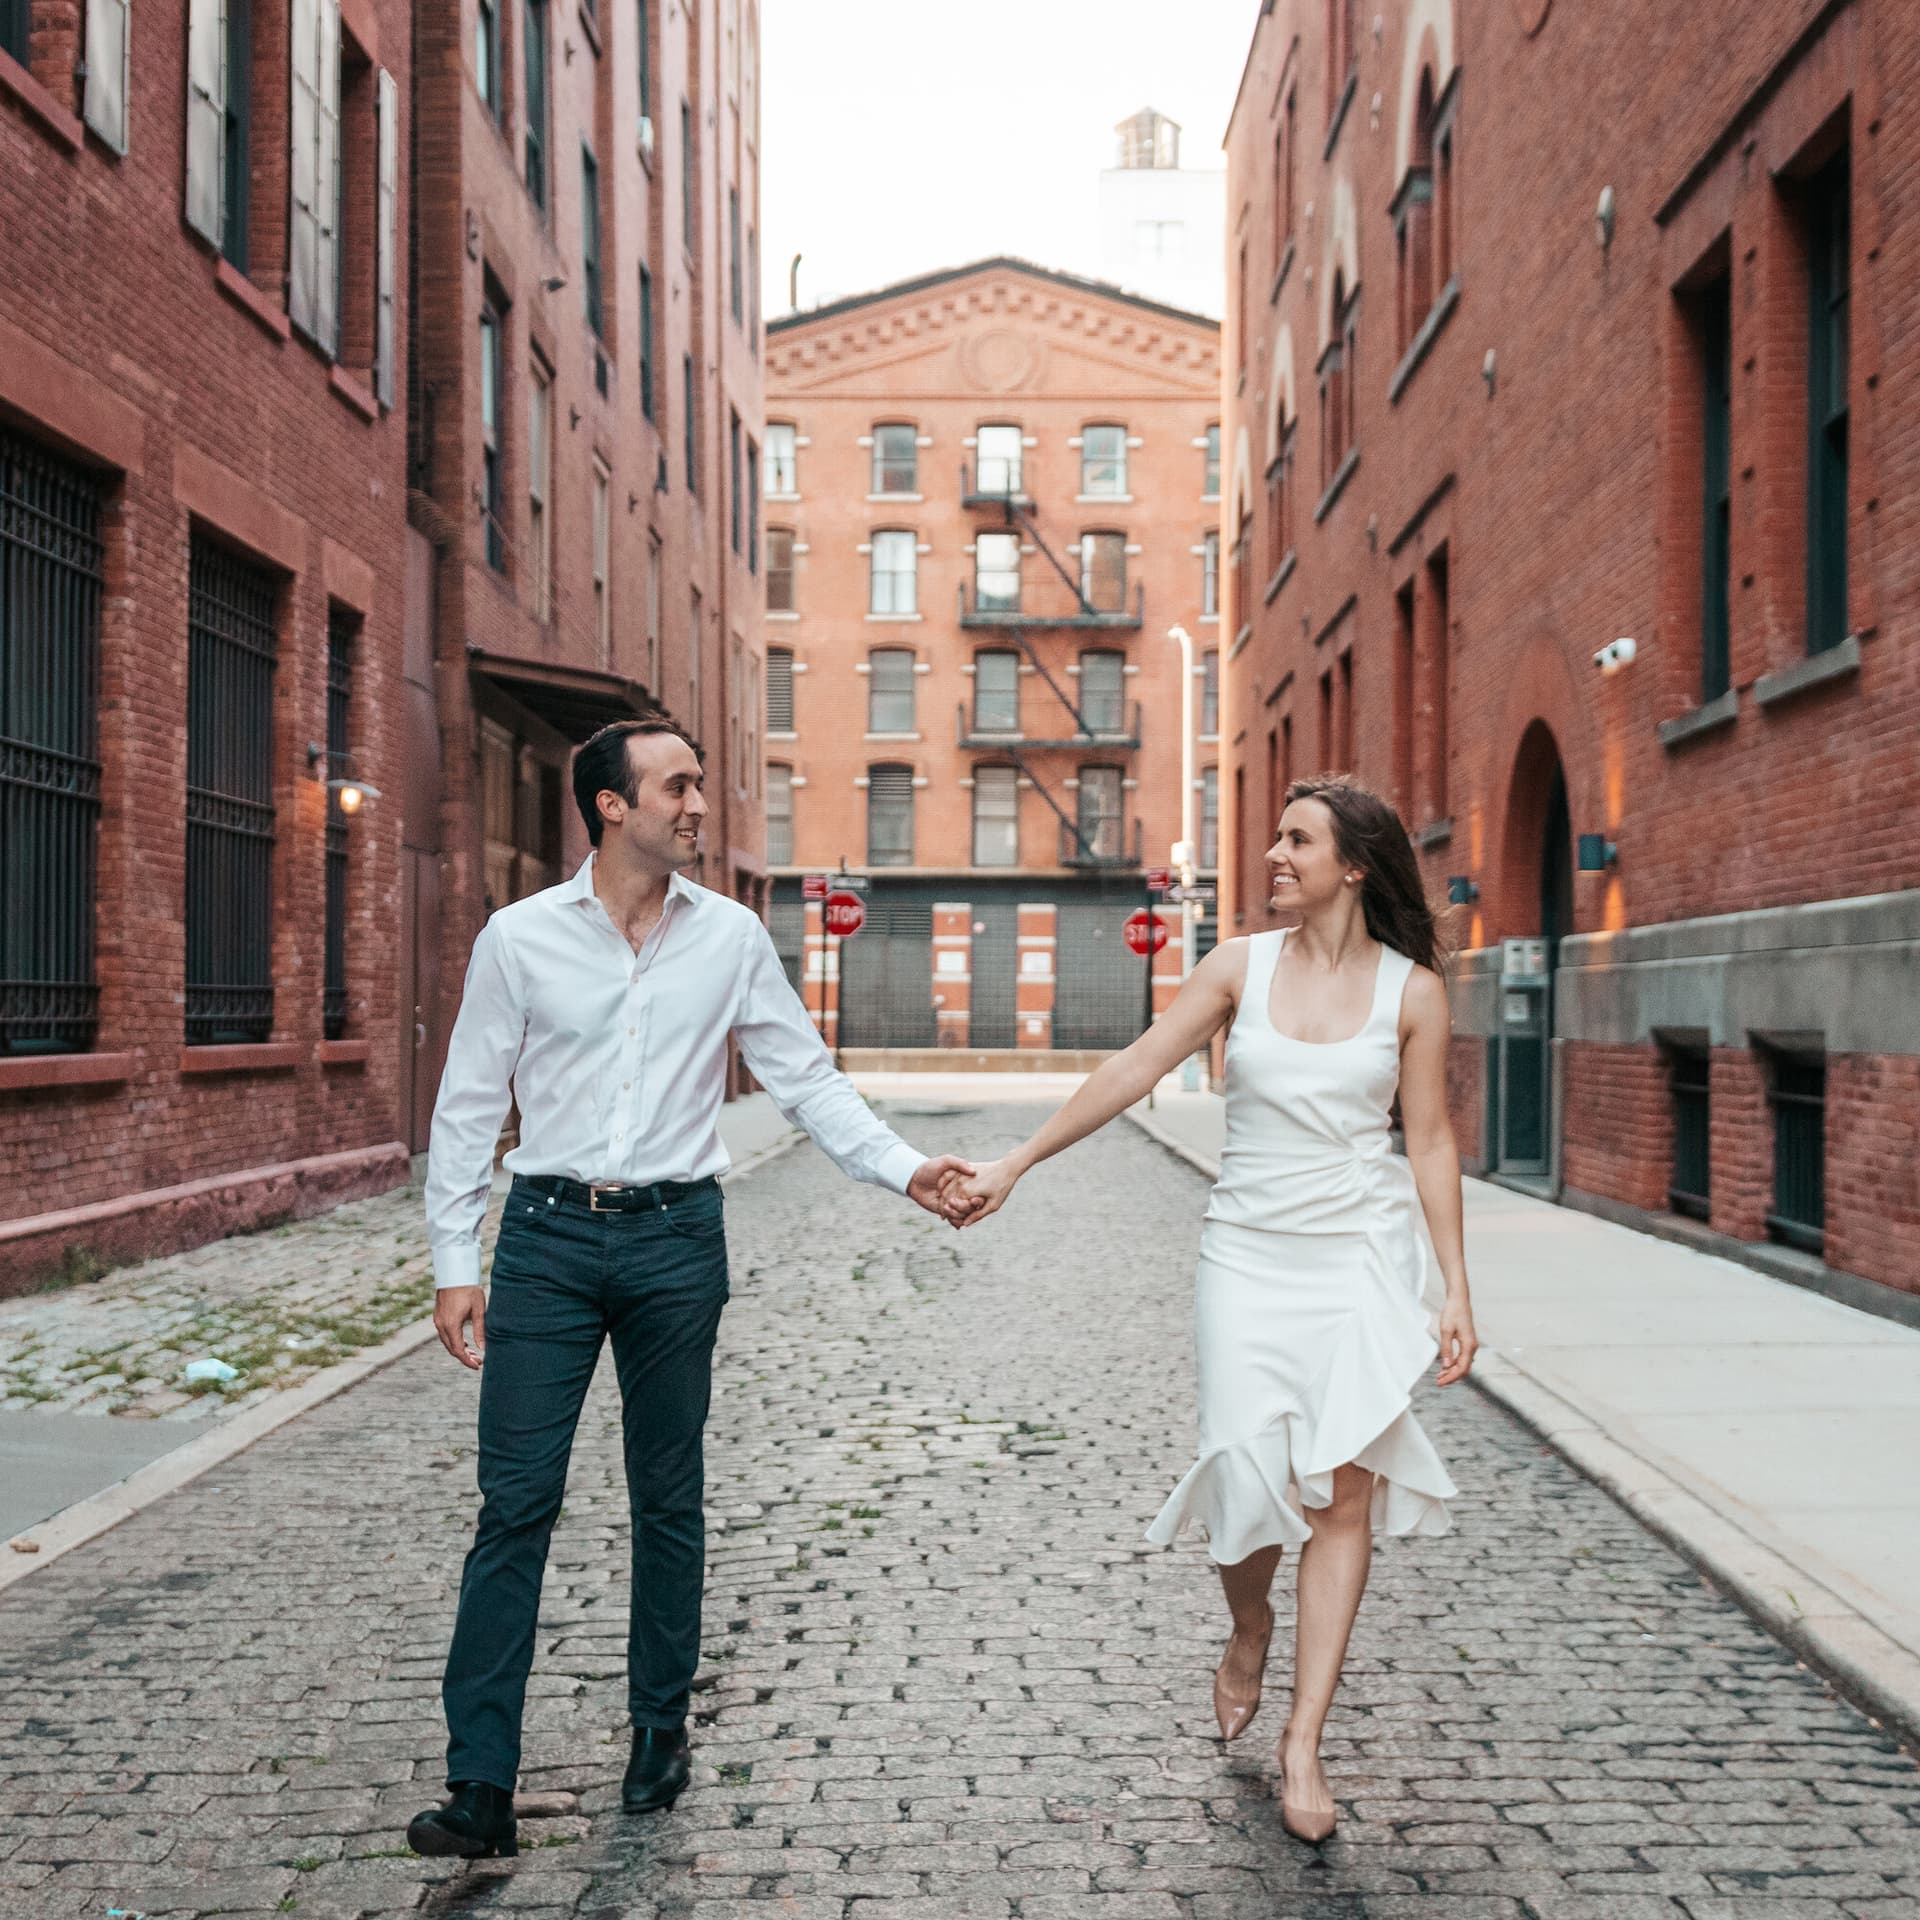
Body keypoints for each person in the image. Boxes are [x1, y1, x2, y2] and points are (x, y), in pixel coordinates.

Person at [407, 717, 978, 1862]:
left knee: (669, 1498)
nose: (698, 803)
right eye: (677, 786)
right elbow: (470, 1104)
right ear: (611, 805)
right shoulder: (519, 940)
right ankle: (480, 1785)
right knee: (514, 1504)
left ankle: (658, 1731)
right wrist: (456, 1262)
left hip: (677, 1243)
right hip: (550, 1241)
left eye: (700, 786)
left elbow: (805, 1081)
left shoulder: (729, 940)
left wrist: (906, 1169)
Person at [953, 775, 1477, 1845]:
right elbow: (1138, 1063)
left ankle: (1304, 1739)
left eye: (1298, 840)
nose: (1275, 855)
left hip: (1359, 1260)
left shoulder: (1412, 993)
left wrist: (1454, 1285)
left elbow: (1426, 1140)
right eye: (1277, 837)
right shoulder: (1239, 965)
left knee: (1340, 1495)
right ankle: (1249, 1630)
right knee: (1246, 1474)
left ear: (1356, 865)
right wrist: (1018, 1163)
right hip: (1245, 1255)